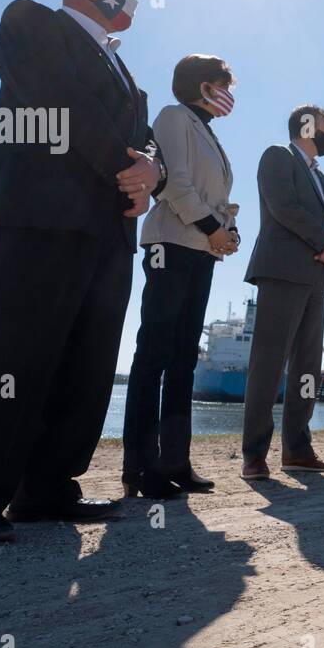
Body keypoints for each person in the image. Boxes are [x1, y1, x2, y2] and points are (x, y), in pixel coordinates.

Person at [0, 0, 165, 545]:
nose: (129, 4)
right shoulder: (31, 23)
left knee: (85, 366)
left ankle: (45, 488)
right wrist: (128, 165)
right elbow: (60, 104)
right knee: (9, 357)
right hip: (40, 222)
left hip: (110, 235)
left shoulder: (129, 78)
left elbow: (149, 147)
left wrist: (154, 172)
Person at [122, 55, 240, 499]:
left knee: (184, 359)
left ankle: (176, 460)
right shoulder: (174, 117)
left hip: (201, 250)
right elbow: (173, 183)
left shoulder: (208, 132)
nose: (229, 93)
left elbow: (215, 196)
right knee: (154, 353)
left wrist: (228, 232)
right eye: (223, 84)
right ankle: (141, 464)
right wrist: (214, 228)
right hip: (170, 245)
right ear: (204, 86)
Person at [239, 105, 324, 480]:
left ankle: (297, 449)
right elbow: (283, 206)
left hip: (317, 277)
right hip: (282, 270)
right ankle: (254, 454)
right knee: (268, 363)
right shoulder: (276, 156)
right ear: (307, 127)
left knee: (307, 368)